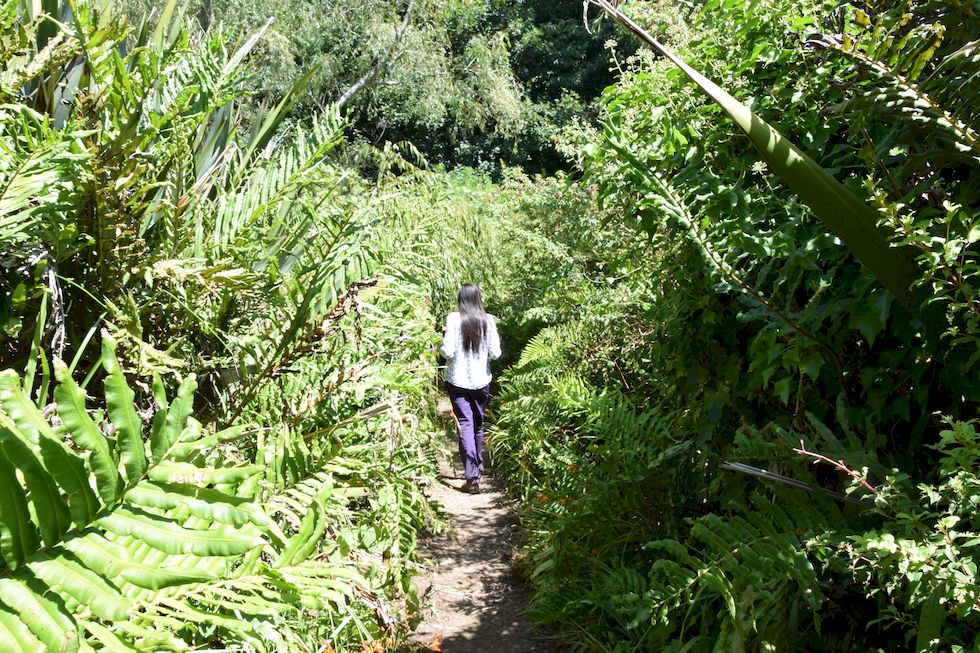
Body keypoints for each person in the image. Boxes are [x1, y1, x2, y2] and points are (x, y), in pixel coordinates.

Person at [440, 283, 501, 494]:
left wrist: (437, 347)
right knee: (477, 424)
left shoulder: (453, 319)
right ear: (478, 299)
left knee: (465, 424)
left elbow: (447, 351)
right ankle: (477, 468)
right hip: (481, 381)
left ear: (461, 299)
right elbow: (496, 354)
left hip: (457, 381)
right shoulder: (489, 320)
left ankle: (472, 478)